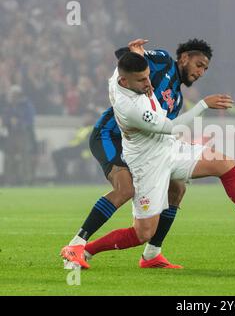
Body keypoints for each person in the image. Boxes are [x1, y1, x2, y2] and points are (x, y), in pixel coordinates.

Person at [80, 51, 235, 269]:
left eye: (147, 76)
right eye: (198, 65)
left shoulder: (144, 84)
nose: (148, 81)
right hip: (148, 163)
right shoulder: (132, 103)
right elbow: (171, 126)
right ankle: (85, 249)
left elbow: (126, 60)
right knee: (142, 232)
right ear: (184, 58)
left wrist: (133, 50)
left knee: (220, 166)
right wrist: (203, 104)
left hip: (168, 149)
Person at [61, 39, 214, 269]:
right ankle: (76, 244)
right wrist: (134, 52)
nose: (201, 72)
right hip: (110, 136)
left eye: (205, 69)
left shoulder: (178, 98)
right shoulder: (162, 61)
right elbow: (125, 57)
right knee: (125, 189)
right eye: (199, 65)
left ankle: (153, 253)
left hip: (140, 147)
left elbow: (163, 128)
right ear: (184, 58)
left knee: (177, 187)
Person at [52, 112, 96, 182]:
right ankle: (62, 175)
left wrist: (76, 146)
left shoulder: (93, 128)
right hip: (75, 149)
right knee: (56, 153)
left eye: (87, 117)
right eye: (84, 116)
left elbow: (88, 143)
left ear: (92, 118)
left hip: (82, 151)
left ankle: (62, 177)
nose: (85, 118)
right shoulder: (82, 128)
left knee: (57, 154)